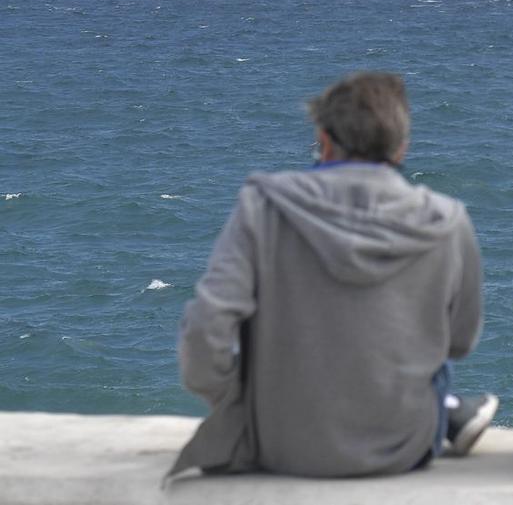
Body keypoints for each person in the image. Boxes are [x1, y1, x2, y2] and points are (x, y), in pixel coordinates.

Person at [170, 72, 496, 480]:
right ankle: (450, 410)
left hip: (279, 445)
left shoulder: (263, 207)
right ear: (401, 148)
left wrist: (234, 398)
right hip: (400, 448)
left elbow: (205, 332)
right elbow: (460, 341)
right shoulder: (448, 221)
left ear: (323, 141)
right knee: (431, 355)